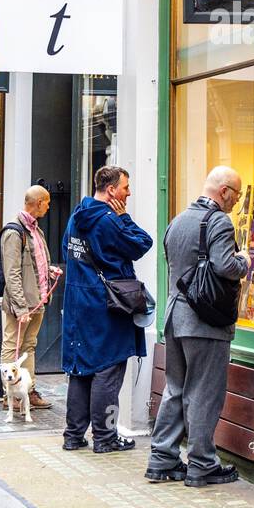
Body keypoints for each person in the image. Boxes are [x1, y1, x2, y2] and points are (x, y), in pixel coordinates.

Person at [146, 166, 250, 487]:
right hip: (205, 321)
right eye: (237, 195)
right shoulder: (219, 221)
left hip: (175, 317)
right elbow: (225, 266)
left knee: (175, 389)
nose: (237, 202)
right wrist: (244, 260)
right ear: (224, 192)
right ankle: (202, 463)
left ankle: (162, 459)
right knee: (205, 392)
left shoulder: (177, 221)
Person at [61, 165, 153, 454]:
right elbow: (142, 243)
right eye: (126, 187)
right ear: (111, 190)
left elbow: (66, 249)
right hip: (107, 305)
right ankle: (105, 436)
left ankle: (74, 435)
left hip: (78, 302)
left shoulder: (77, 215)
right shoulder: (110, 220)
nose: (129, 192)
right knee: (108, 368)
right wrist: (125, 218)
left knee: (81, 369)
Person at [0, 186, 60, 413]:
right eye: (47, 202)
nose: (49, 206)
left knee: (29, 346)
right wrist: (19, 307)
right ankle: (9, 395)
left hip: (38, 300)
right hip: (22, 304)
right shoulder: (14, 232)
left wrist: (49, 271)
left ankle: (28, 390)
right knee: (11, 346)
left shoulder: (36, 230)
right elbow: (12, 272)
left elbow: (33, 265)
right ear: (37, 202)